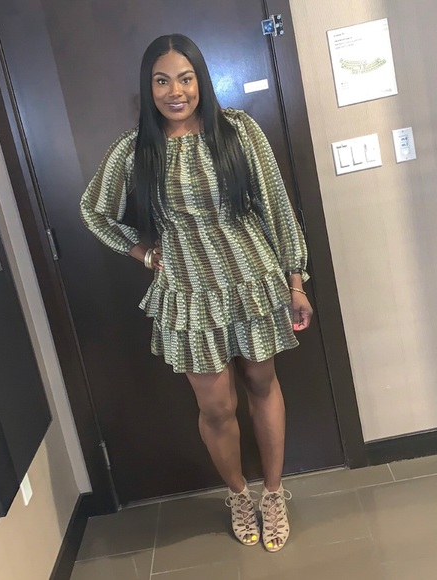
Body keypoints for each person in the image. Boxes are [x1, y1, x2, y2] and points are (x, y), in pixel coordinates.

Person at [80, 33, 313, 552]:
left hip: (253, 280)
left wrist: (295, 279)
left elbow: (276, 206)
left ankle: (273, 494)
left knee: (262, 385)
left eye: (185, 78)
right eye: (162, 81)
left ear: (200, 80)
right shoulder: (134, 149)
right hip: (189, 294)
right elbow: (94, 211)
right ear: (149, 88)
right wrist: (144, 254)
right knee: (216, 408)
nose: (175, 91)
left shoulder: (238, 131)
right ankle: (239, 494)